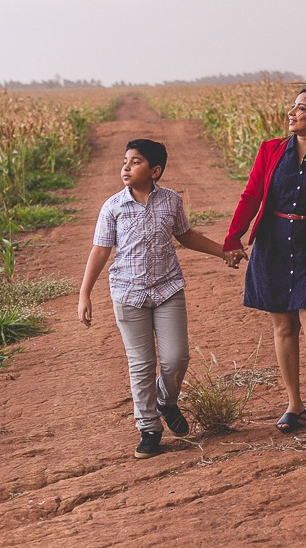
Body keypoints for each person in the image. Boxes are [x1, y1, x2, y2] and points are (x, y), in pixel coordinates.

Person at [78, 138, 227, 459]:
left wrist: (223, 251)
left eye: (135, 162)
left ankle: (166, 401)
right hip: (128, 295)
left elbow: (185, 235)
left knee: (177, 357)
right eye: (125, 162)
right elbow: (100, 250)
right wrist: (84, 292)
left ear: (155, 170)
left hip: (167, 289)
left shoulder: (171, 202)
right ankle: (149, 428)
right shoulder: (112, 207)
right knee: (141, 365)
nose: (126, 168)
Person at [223, 85, 306, 434]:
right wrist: (233, 236)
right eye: (291, 108)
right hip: (274, 245)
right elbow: (251, 195)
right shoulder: (269, 151)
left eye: (300, 109)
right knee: (283, 326)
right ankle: (294, 403)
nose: (291, 114)